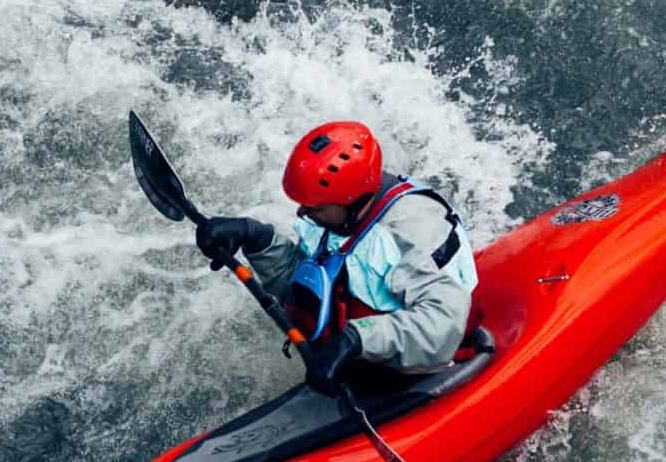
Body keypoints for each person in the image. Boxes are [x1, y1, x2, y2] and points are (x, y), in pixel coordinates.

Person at [196, 121, 480, 396]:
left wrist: (356, 339)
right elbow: (310, 288)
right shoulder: (338, 219)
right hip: (357, 367)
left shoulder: (410, 233)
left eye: (314, 209)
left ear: (350, 199)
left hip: (423, 375)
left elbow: (443, 323)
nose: (303, 214)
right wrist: (256, 238)